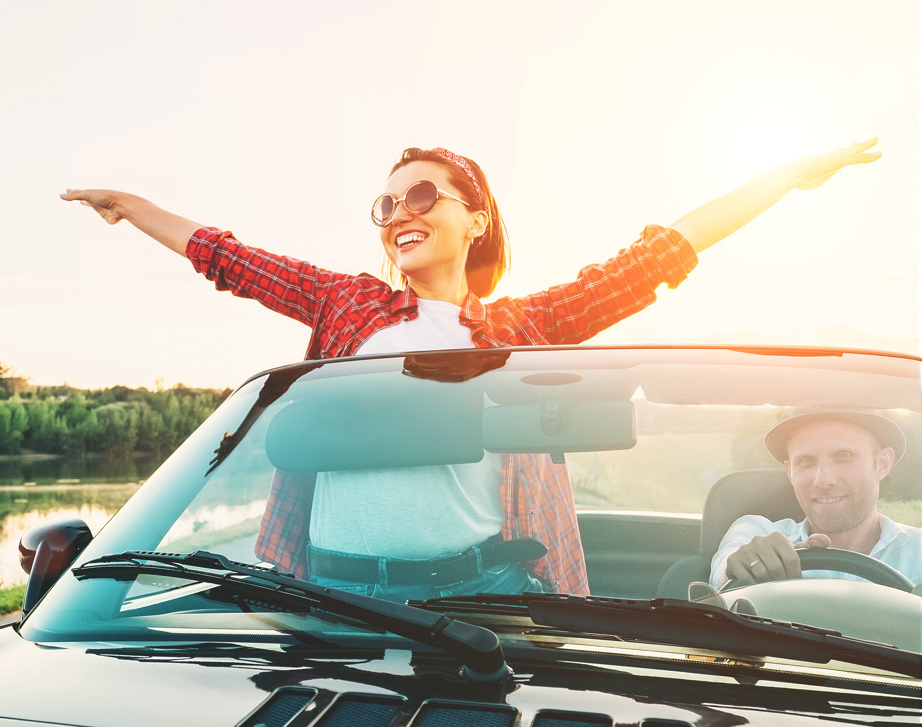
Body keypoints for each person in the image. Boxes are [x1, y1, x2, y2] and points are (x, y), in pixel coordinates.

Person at [64, 141, 881, 600]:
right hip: (330, 594)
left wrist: (782, 179)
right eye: (387, 205)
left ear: (475, 216)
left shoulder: (523, 324)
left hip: (477, 596)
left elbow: (658, 256)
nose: (400, 214)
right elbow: (233, 260)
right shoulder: (344, 304)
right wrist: (134, 209)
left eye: (423, 195)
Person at [711, 407, 922, 587]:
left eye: (844, 456)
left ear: (882, 464)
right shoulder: (756, 531)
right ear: (790, 472)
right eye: (806, 461)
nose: (823, 480)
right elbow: (724, 569)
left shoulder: (918, 550)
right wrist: (746, 565)